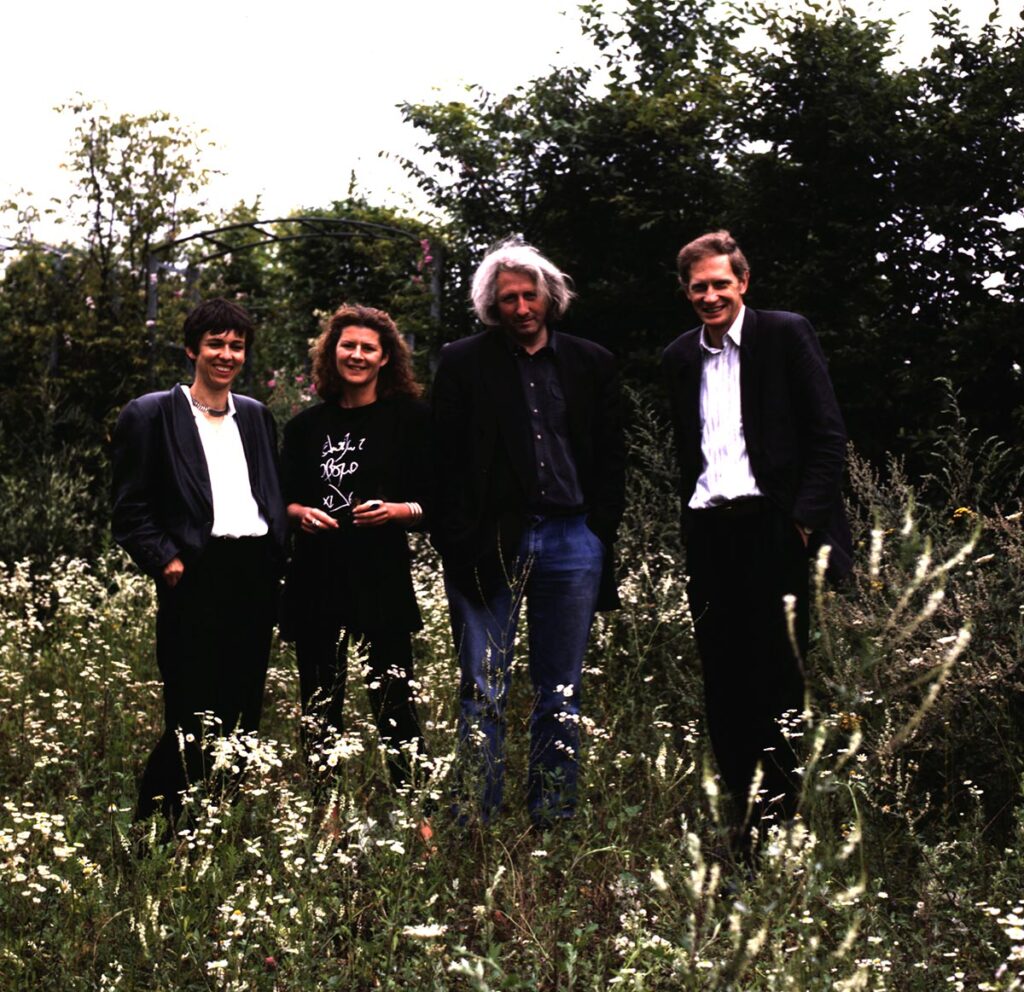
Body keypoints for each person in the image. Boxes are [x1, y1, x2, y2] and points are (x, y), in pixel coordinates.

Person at [662, 230, 852, 850]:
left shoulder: (784, 333)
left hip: (774, 530)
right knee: (724, 681)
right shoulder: (680, 358)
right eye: (699, 286)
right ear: (686, 292)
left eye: (721, 283)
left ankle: (782, 823)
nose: (710, 295)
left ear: (743, 282)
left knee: (779, 679)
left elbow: (827, 436)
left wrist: (800, 522)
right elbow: (686, 450)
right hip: (711, 533)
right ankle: (738, 825)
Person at [431, 240, 625, 827]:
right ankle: (475, 815)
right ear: (493, 305)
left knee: (560, 688)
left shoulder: (591, 361)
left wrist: (599, 530)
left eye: (529, 294)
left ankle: (554, 813)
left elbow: (611, 456)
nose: (520, 307)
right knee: (483, 687)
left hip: (573, 538)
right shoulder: (464, 362)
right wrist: (459, 540)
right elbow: (443, 463)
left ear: (550, 295)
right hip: (490, 542)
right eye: (507, 298)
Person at [112, 298, 287, 826]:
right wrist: (166, 561)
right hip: (195, 572)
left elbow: (268, 492)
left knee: (240, 712)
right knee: (190, 710)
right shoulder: (152, 414)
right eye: (215, 344)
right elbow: (130, 508)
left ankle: (210, 826)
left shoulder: (255, 415)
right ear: (193, 349)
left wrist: (278, 555)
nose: (226, 355)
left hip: (253, 571)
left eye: (236, 346)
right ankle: (153, 833)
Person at [279, 304, 430, 802]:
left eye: (368, 347)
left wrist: (400, 510)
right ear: (332, 352)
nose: (357, 355)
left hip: (380, 578)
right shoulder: (304, 427)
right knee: (320, 703)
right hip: (316, 580)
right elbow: (280, 497)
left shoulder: (411, 419)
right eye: (348, 346)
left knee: (394, 700)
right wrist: (299, 512)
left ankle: (418, 814)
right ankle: (328, 813)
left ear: (386, 357)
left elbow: (444, 495)